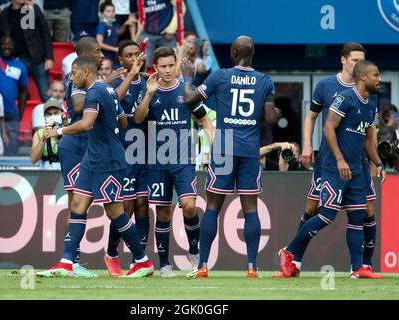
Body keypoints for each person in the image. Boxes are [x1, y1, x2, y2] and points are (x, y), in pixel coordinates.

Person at [37, 56, 154, 278]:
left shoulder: (94, 93)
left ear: (85, 72)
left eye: (74, 73)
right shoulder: (108, 90)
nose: (72, 78)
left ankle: (143, 261)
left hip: (108, 160)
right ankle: (66, 263)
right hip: (93, 159)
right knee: (78, 205)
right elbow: (123, 121)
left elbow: (86, 123)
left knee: (115, 212)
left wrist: (59, 131)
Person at [276, 60, 385, 279]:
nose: (379, 79)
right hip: (334, 168)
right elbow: (327, 128)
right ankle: (289, 251)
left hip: (356, 168)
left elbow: (366, 139)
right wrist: (339, 160)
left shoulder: (371, 102)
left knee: (357, 217)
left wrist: (378, 162)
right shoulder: (345, 98)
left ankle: (357, 268)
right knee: (326, 215)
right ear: (363, 77)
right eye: (376, 75)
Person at [182, 35, 278, 278]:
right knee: (250, 209)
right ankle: (252, 267)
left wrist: (187, 78)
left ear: (234, 52)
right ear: (253, 53)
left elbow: (190, 100)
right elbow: (269, 118)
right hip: (248, 149)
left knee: (213, 206)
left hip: (224, 146)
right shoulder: (264, 81)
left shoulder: (220, 76)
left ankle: (203, 265)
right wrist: (276, 111)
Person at [133, 46, 214, 277]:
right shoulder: (149, 90)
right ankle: (165, 264)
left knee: (189, 205)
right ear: (155, 68)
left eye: (171, 66)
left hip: (183, 161)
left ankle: (194, 249)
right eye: (163, 66)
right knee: (163, 214)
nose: (168, 70)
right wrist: (148, 94)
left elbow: (206, 122)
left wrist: (215, 146)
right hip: (156, 163)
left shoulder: (186, 91)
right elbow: (138, 119)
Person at [55, 36, 125, 277]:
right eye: (96, 51)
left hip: (91, 148)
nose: (101, 55)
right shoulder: (79, 80)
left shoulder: (97, 83)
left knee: (88, 204)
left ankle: (69, 262)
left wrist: (109, 89)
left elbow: (115, 111)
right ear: (84, 54)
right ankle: (70, 262)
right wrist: (107, 90)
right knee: (76, 203)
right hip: (75, 146)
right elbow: (78, 109)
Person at [104, 39, 149, 277]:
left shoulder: (151, 82)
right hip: (123, 154)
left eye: (137, 54)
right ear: (120, 60)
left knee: (143, 206)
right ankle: (111, 253)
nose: (134, 59)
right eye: (128, 55)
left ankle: (137, 261)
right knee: (127, 208)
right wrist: (130, 76)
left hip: (147, 153)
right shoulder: (114, 84)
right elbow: (114, 103)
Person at [0, 10, 28, 156]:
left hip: (11, 114)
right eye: (4, 44)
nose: (7, 47)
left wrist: (20, 114)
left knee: (11, 148)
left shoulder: (20, 66)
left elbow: (23, 91)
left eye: (10, 45)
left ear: (14, 47)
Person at [0, 0, 53, 102]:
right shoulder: (5, 13)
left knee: (46, 96)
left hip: (36, 59)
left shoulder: (30, 8)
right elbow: (0, 38)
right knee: (17, 96)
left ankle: (55, 118)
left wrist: (49, 57)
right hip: (15, 61)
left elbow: (45, 33)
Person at [129, 0, 181, 70]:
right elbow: (132, 16)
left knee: (172, 62)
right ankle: (145, 80)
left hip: (166, 34)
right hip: (146, 33)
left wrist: (171, 29)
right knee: (142, 63)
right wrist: (134, 40)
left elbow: (181, 7)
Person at [30, 99, 63, 169]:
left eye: (56, 113)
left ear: (62, 114)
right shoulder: (39, 133)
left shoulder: (67, 130)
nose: (53, 116)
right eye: (49, 114)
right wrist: (44, 138)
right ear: (45, 117)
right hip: (46, 171)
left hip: (64, 169)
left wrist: (59, 137)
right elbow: (33, 160)